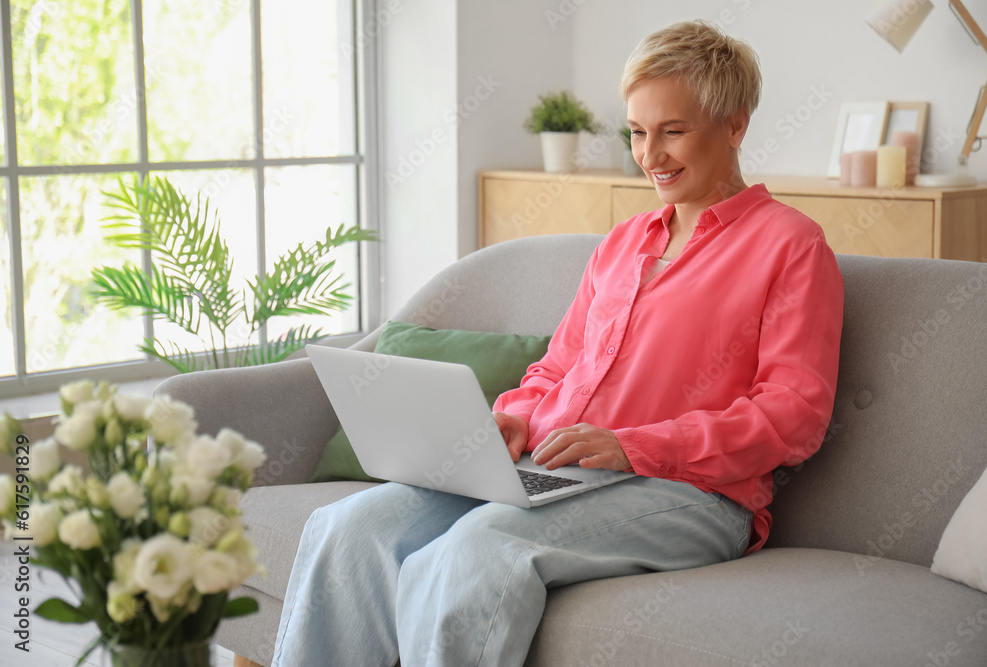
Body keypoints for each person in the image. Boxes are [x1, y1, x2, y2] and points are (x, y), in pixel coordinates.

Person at [272, 20, 843, 667]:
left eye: (672, 131)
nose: (650, 154)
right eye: (637, 131)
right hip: (552, 469)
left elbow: (795, 414)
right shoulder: (623, 243)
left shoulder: (791, 245)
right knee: (349, 528)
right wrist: (515, 417)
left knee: (479, 547)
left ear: (734, 126)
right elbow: (559, 366)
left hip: (695, 494)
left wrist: (634, 446)